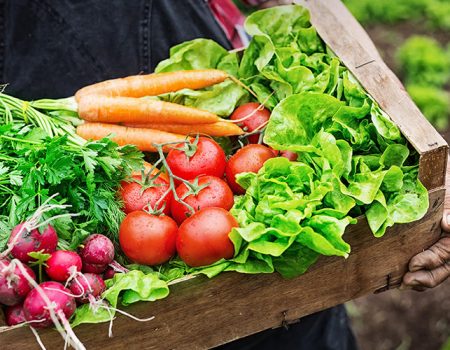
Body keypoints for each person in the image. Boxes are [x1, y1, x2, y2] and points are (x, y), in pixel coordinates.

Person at [1, 1, 448, 349]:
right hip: (72, 280)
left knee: (289, 309)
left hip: (281, 300)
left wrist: (407, 124)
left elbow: (311, 8)